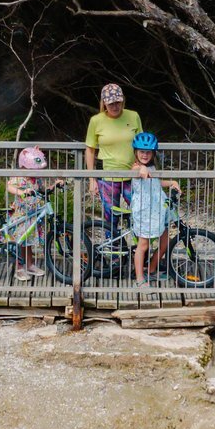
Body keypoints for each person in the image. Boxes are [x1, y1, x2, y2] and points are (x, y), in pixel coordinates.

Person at [83, 83, 143, 229]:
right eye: (111, 103)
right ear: (104, 103)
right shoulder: (96, 120)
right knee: (111, 217)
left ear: (122, 100)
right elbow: (90, 150)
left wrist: (141, 165)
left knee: (140, 211)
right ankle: (112, 248)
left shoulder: (133, 116)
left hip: (132, 174)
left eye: (118, 102)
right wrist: (92, 179)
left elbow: (141, 144)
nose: (115, 106)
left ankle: (139, 248)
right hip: (107, 177)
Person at [125, 132, 180, 283]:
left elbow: (156, 183)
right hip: (145, 212)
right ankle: (139, 279)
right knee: (143, 245)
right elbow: (139, 172)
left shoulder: (152, 167)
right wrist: (141, 170)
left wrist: (171, 182)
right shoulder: (136, 167)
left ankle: (151, 268)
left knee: (165, 242)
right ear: (135, 152)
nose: (145, 154)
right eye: (142, 151)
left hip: (159, 209)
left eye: (148, 152)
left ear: (153, 153)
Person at [5, 146, 52, 281]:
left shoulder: (37, 179)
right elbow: (9, 186)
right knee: (20, 242)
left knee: (29, 242)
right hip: (21, 216)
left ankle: (30, 265)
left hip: (33, 215)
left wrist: (54, 186)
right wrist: (22, 192)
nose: (37, 172)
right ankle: (18, 269)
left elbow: (42, 190)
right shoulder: (20, 177)